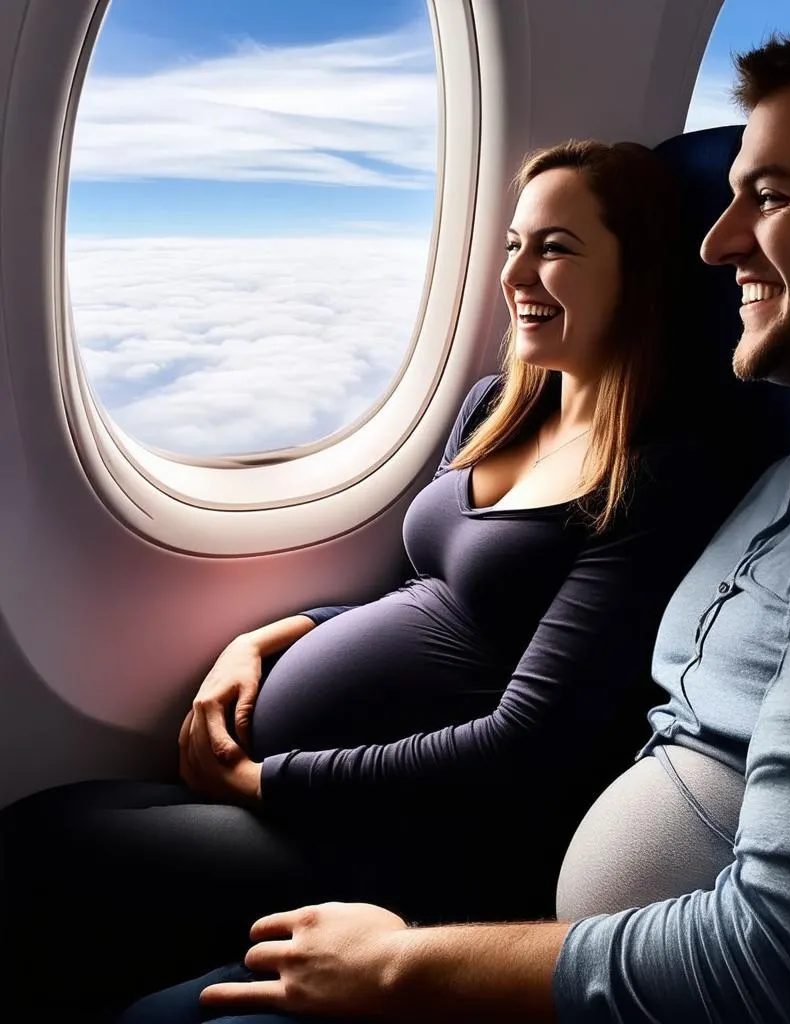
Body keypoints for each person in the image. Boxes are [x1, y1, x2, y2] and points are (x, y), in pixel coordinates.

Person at [119, 1, 790, 1021]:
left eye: (767, 197)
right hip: (570, 942)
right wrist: (285, 633)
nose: (717, 244)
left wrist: (400, 964)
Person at [0, 140, 740, 1019]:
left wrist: (275, 782)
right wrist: (271, 636)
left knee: (45, 875)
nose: (517, 274)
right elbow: (412, 592)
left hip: (411, 838)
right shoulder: (494, 411)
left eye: (557, 248)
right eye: (513, 243)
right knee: (40, 826)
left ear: (640, 271)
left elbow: (526, 744)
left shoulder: (655, 479)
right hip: (322, 794)